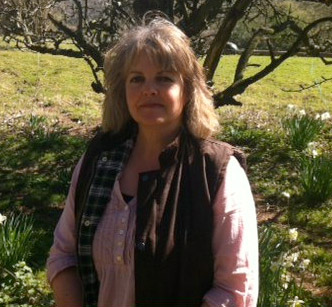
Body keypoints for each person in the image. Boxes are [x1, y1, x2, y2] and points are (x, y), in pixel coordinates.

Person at [47, 16, 258, 307]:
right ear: (123, 90)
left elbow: (235, 292)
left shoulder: (217, 172)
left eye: (164, 78)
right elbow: (63, 255)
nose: (149, 89)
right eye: (137, 79)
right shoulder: (98, 161)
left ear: (188, 90)